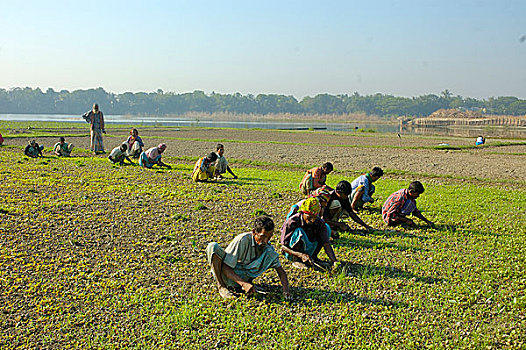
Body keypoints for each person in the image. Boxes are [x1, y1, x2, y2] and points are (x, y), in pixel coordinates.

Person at [206, 216, 290, 299]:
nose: (266, 241)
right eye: (263, 236)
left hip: (242, 277)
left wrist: (286, 291)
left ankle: (247, 285)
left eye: (269, 237)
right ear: (254, 232)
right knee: (212, 246)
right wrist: (243, 284)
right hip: (225, 275)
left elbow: (281, 272)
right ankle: (221, 287)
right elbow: (225, 266)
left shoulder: (269, 250)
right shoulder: (242, 240)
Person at [280, 198, 338, 270]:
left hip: (309, 248)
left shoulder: (319, 222)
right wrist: (300, 255)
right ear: (302, 213)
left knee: (327, 228)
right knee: (299, 232)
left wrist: (334, 260)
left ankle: (313, 257)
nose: (312, 220)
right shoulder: (292, 222)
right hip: (293, 253)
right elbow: (283, 247)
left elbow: (326, 243)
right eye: (309, 217)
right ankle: (296, 260)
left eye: (314, 217)